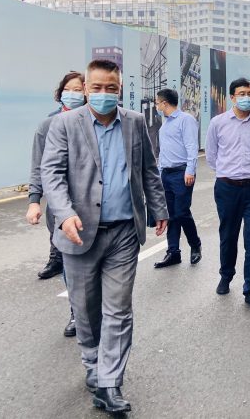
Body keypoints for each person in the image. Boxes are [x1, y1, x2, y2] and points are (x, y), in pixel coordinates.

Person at [41, 59, 168, 413]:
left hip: (124, 231)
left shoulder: (135, 122)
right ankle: (93, 365)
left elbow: (148, 169)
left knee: (119, 309)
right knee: (85, 311)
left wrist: (159, 208)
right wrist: (64, 214)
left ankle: (110, 383)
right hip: (80, 233)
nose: (103, 93)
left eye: (111, 88)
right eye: (96, 87)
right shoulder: (65, 124)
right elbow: (52, 174)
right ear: (86, 88)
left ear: (120, 88)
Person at [26, 70, 86, 337]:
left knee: (93, 263)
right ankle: (77, 312)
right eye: (68, 89)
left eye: (78, 89)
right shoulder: (47, 125)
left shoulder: (96, 122)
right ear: (60, 92)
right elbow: (38, 166)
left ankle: (95, 308)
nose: (73, 94)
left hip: (94, 205)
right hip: (61, 209)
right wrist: (34, 201)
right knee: (69, 263)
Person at [206, 78, 250, 310]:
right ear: (232, 97)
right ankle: (226, 275)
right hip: (227, 188)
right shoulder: (217, 123)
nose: (246, 97)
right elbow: (212, 156)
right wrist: (228, 173)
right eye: (241, 93)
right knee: (228, 236)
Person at [153, 88, 202, 269]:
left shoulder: (185, 120)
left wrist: (190, 170)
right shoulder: (165, 123)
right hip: (166, 173)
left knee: (181, 212)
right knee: (170, 215)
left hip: (182, 173)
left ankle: (195, 244)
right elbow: (163, 152)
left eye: (157, 103)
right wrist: (159, 174)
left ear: (164, 103)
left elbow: (192, 146)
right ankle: (173, 252)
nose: (156, 106)